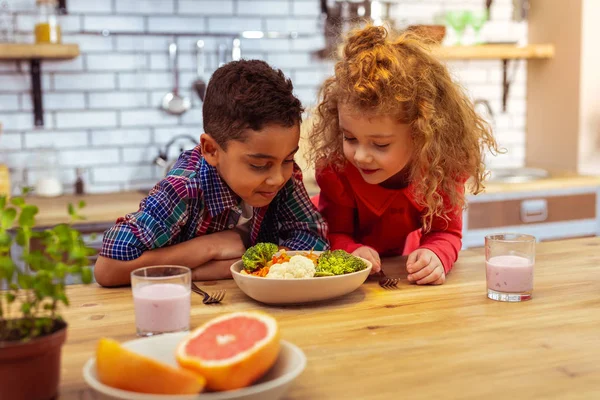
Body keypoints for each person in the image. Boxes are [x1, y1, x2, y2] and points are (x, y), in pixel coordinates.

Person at [95, 60, 329, 287]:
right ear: (211, 150)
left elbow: (314, 241)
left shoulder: (281, 173)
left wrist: (230, 265)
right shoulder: (183, 187)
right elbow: (108, 268)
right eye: (259, 165)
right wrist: (208, 247)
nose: (278, 177)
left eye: (289, 159)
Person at [309, 25, 499, 285]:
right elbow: (334, 232)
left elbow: (447, 233)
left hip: (399, 259)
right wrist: (351, 250)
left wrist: (435, 254)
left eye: (380, 144)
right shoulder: (339, 171)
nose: (361, 156)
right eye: (350, 138)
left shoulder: (441, 170)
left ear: (421, 135)